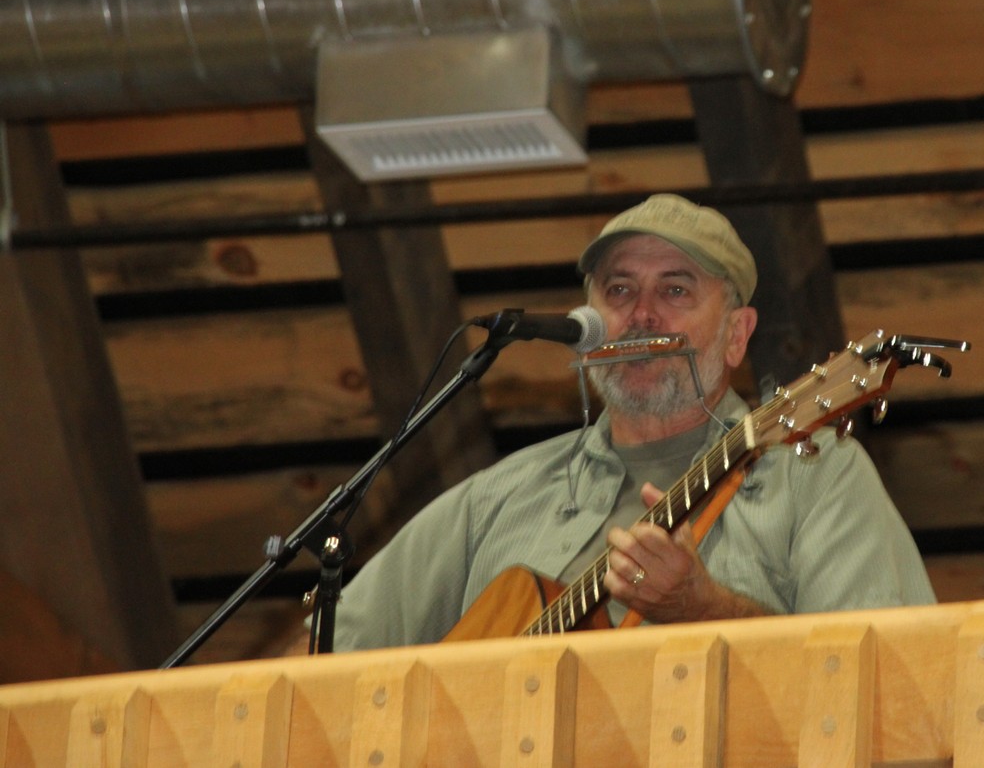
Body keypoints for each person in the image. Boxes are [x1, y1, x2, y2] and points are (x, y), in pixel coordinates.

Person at [324, 192, 934, 651]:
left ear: (736, 335)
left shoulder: (819, 475)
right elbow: (321, 657)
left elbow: (889, 673)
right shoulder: (496, 499)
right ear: (588, 326)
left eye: (675, 291)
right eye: (618, 290)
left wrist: (702, 609)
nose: (642, 315)